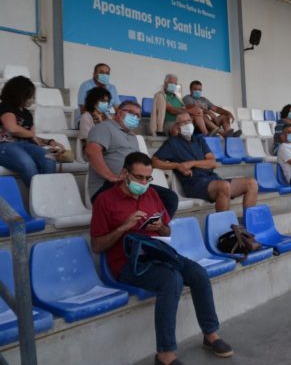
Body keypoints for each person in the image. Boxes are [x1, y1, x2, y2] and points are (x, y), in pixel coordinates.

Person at [90, 152, 233, 365]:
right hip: (127, 264)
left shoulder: (151, 195)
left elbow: (166, 232)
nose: (144, 183)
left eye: (148, 178)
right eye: (139, 177)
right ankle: (165, 354)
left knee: (198, 273)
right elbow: (97, 246)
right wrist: (123, 228)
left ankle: (210, 333)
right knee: (171, 279)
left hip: (158, 254)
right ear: (124, 174)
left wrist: (161, 227)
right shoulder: (105, 200)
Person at [85, 100, 178, 217]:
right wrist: (110, 176)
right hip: (108, 186)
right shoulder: (104, 128)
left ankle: (154, 228)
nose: (134, 116)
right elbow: (92, 152)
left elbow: (138, 163)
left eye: (137, 115)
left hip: (131, 184)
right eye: (130, 112)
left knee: (170, 198)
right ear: (118, 112)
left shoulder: (132, 136)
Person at [152, 112, 258, 212]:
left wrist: (192, 163)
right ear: (177, 126)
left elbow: (212, 163)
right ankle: (225, 227)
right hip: (194, 184)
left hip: (212, 179)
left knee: (252, 183)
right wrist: (177, 165)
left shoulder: (199, 140)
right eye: (183, 122)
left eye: (189, 121)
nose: (187, 124)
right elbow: (154, 161)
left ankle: (249, 224)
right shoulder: (172, 143)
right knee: (224, 186)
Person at [0, 76, 61, 187]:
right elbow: (12, 128)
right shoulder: (5, 106)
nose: (31, 99)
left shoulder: (27, 113)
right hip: (4, 146)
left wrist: (49, 142)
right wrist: (30, 134)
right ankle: (40, 199)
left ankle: (47, 196)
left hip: (25, 145)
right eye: (29, 96)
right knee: (27, 163)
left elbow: (31, 136)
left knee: (49, 158)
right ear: (19, 95)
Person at [78, 87, 112, 153]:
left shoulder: (108, 117)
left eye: (107, 101)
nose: (105, 103)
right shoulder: (86, 117)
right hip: (94, 150)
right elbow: (88, 140)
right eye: (102, 101)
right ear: (93, 101)